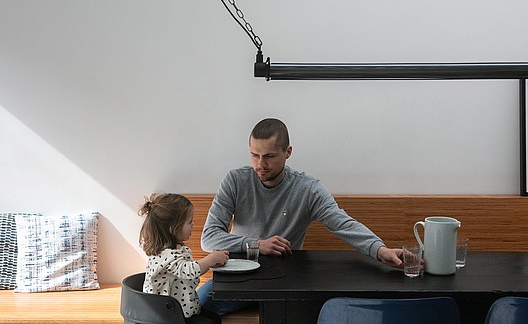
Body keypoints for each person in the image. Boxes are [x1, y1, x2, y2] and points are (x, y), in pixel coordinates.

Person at [198, 118, 406, 315]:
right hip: (238, 277)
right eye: (254, 155)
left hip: (286, 280)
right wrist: (257, 244)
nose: (260, 164)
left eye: (269, 156)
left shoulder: (308, 189)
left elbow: (342, 223)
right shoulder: (234, 181)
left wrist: (380, 250)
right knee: (191, 305)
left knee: (332, 309)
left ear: (288, 152)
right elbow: (209, 237)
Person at [138, 193, 230, 324]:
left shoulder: (174, 250)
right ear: (172, 228)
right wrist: (210, 259)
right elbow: (189, 270)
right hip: (169, 315)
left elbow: (187, 270)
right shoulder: (167, 255)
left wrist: (212, 260)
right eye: (189, 222)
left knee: (214, 318)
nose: (193, 224)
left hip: (180, 308)